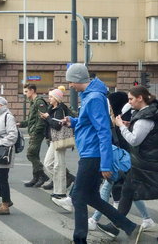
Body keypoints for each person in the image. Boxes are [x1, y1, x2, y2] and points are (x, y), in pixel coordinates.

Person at [56, 63, 139, 244]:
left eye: (71, 81)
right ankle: (130, 227)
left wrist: (106, 164)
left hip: (92, 154)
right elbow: (90, 123)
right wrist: (73, 121)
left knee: (77, 196)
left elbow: (103, 131)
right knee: (90, 196)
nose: (70, 85)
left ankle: (79, 239)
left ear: (78, 80)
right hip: (90, 151)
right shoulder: (90, 96)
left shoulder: (93, 98)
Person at [97, 85, 158, 238]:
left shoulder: (146, 116)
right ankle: (116, 225)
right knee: (127, 190)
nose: (129, 102)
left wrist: (120, 127)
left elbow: (134, 140)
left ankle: (119, 224)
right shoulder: (145, 113)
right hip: (142, 163)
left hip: (148, 164)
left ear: (140, 98)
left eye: (131, 99)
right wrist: (129, 125)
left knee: (131, 191)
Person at [39, 88, 75, 198]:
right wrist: (45, 118)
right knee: (48, 164)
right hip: (53, 140)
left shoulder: (60, 109)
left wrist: (48, 117)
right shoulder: (51, 108)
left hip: (60, 140)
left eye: (51, 97)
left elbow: (57, 126)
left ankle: (60, 191)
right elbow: (50, 124)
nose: (49, 99)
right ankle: (62, 183)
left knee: (59, 165)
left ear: (56, 98)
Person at [17, 83, 49, 187]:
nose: (25, 94)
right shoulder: (33, 102)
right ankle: (36, 177)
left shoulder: (39, 102)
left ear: (32, 91)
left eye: (26, 91)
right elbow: (32, 119)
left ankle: (42, 175)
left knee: (30, 154)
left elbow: (42, 119)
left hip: (37, 133)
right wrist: (21, 124)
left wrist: (35, 131)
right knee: (34, 155)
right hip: (34, 132)